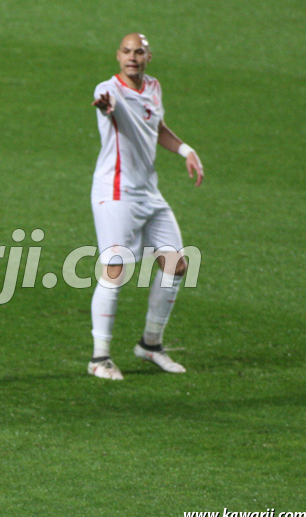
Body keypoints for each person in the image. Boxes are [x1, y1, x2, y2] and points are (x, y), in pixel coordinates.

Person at [88, 33, 204, 381]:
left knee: (176, 263)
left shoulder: (153, 87)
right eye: (126, 51)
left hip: (148, 193)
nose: (132, 57)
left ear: (148, 57)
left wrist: (186, 151)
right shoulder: (107, 89)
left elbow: (157, 127)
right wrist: (106, 107)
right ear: (118, 55)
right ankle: (99, 358)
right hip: (116, 193)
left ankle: (150, 345)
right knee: (115, 272)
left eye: (138, 52)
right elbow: (106, 105)